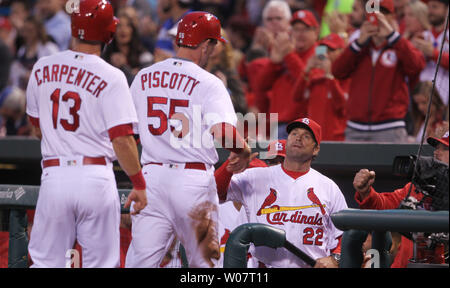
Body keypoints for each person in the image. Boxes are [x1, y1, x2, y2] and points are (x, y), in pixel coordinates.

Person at [25, 0, 147, 268]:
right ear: (109, 33)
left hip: (54, 175)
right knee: (101, 264)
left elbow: (36, 129)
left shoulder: (42, 66)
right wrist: (138, 183)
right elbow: (122, 139)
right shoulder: (112, 76)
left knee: (45, 263)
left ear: (73, 27)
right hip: (94, 176)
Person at [126, 11, 252, 268]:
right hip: (192, 181)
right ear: (205, 44)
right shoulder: (209, 82)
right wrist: (245, 151)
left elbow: (130, 136)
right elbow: (224, 134)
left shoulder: (143, 77)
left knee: (140, 263)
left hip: (151, 178)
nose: (214, 50)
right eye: (214, 44)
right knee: (203, 266)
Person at [215, 118, 348, 268]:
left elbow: (345, 234)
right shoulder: (256, 176)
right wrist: (230, 165)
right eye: (294, 133)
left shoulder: (328, 187)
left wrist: (335, 258)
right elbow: (216, 192)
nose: (298, 137)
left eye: (306, 136)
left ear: (316, 149)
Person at [332, 0, 426, 143]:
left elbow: (417, 65)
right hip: (356, 127)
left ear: (391, 17)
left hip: (390, 126)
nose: (376, 17)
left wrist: (392, 35)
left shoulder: (399, 44)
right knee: (352, 166)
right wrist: (358, 44)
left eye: (383, 12)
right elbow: (338, 71)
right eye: (372, 14)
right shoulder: (359, 46)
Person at [353, 130, 449, 267]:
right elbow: (383, 206)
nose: (436, 153)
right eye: (437, 148)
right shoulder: (418, 187)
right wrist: (366, 193)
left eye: (445, 149)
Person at [255, 9, 321, 140]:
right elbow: (261, 85)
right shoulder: (285, 53)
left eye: (305, 29)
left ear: (316, 32)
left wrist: (288, 55)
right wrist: (274, 62)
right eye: (296, 29)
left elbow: (308, 83)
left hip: (303, 126)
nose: (300, 34)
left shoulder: (320, 53)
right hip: (277, 125)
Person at [294, 33, 349, 141]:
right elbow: (296, 97)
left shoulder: (346, 76)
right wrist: (306, 70)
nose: (326, 55)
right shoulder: (314, 76)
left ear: (341, 52)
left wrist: (329, 76)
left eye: (331, 51)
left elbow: (342, 106)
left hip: (336, 139)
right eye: (323, 50)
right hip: (313, 139)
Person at [411, 0, 449, 106]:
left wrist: (433, 53)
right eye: (429, 7)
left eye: (435, 7)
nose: (431, 11)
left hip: (444, 100)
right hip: (420, 100)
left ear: (446, 10)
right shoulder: (421, 36)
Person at [9, 16, 59, 90]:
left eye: (30, 31)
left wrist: (34, 75)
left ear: (38, 31)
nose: (26, 35)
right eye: (24, 31)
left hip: (43, 89)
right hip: (24, 90)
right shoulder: (22, 50)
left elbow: (56, 71)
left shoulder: (49, 48)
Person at [102, 14, 153, 85]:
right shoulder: (106, 56)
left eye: (127, 26)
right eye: (119, 26)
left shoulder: (145, 56)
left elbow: (143, 82)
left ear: (132, 30)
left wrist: (124, 66)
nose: (123, 30)